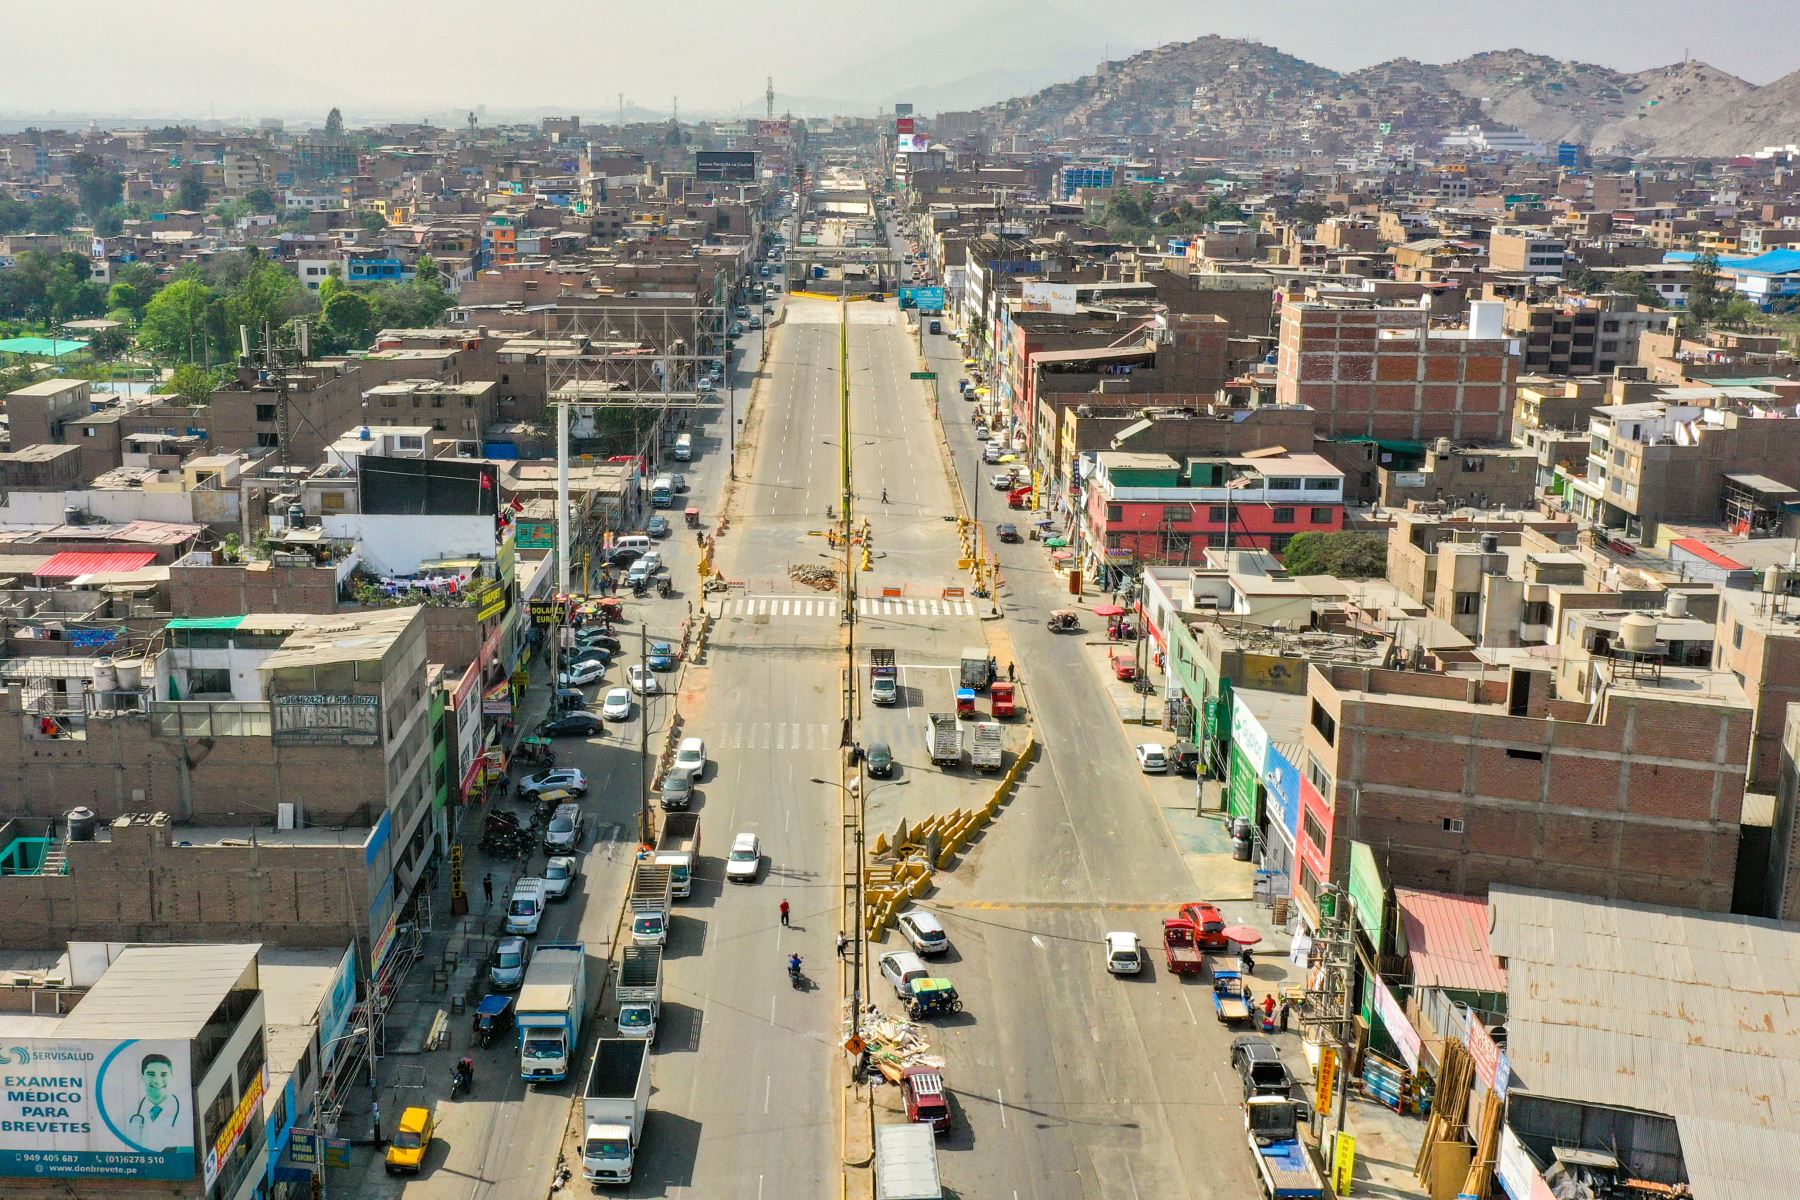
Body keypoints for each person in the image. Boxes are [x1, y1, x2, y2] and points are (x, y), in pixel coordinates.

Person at [126, 1052, 185, 1152]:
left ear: (171, 1076)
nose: (157, 1080)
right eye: (151, 1074)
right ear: (142, 1076)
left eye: (163, 1075)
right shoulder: (128, 1116)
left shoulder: (187, 1112)